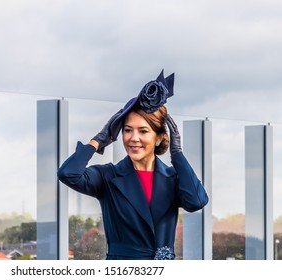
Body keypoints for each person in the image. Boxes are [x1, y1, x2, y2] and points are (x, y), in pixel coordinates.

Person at [57, 70, 209, 260]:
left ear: (159, 137)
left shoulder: (173, 178)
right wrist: (98, 140)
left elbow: (197, 201)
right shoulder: (108, 177)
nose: (133, 138)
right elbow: (68, 173)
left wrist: (177, 154)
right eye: (127, 130)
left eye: (143, 131)